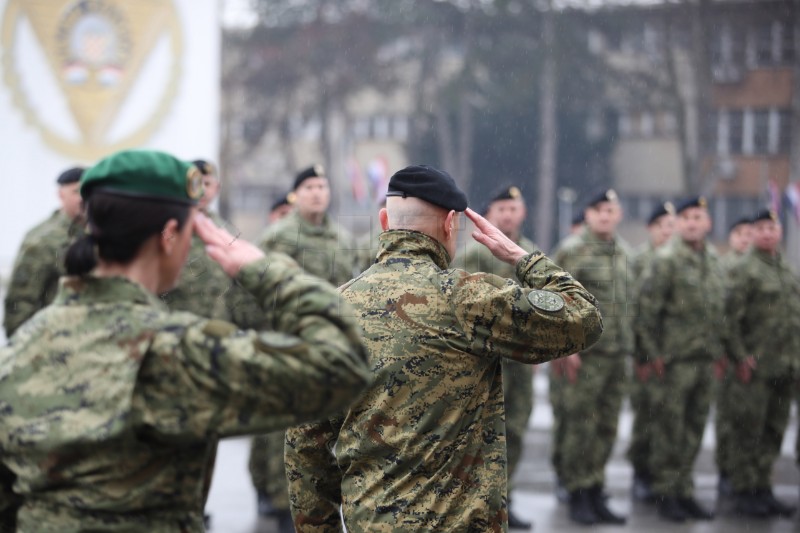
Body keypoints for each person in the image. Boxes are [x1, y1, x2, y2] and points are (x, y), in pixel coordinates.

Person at [0, 149, 371, 532]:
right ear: (170, 236)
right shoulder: (173, 352)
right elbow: (342, 363)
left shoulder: (19, 352)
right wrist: (262, 269)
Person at [284, 164, 604, 532]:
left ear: (384, 220)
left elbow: (305, 445)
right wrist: (522, 258)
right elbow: (584, 317)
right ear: (451, 223)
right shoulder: (468, 298)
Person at [635, 196, 725, 522]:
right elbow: (646, 311)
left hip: (704, 360)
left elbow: (719, 311)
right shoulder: (666, 259)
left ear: (708, 222)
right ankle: (666, 492)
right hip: (673, 362)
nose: (691, 223)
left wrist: (721, 352)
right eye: (685, 217)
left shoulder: (713, 260)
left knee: (694, 429)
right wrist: (651, 354)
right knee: (668, 430)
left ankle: (685, 490)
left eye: (697, 217)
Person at [549, 189, 632, 525]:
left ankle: (596, 489)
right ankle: (578, 492)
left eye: (610, 210)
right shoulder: (572, 250)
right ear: (587, 214)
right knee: (580, 426)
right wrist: (564, 348)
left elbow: (630, 304)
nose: (605, 215)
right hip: (585, 356)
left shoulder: (625, 252)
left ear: (619, 214)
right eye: (598, 210)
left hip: (616, 354)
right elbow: (553, 300)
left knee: (607, 427)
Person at [460, 185, 536, 530]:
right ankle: (480, 502)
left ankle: (507, 497)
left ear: (523, 212)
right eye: (501, 208)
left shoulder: (529, 253)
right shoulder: (475, 253)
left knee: (516, 429)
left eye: (513, 208)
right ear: (489, 214)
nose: (508, 214)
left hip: (520, 362)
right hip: (485, 361)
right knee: (481, 432)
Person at [718, 209, 799, 518]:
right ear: (754, 232)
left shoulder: (785, 270)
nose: (767, 232)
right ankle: (745, 490)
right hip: (754, 369)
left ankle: (763, 488)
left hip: (783, 367)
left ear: (780, 231)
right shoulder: (744, 269)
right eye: (761, 227)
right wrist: (739, 355)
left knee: (773, 432)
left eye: (772, 227)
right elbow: (728, 319)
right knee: (748, 432)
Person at [627, 201, 675, 502]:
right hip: (648, 354)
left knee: (670, 421)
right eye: (662, 226)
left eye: (672, 226)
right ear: (651, 229)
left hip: (676, 355)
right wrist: (642, 355)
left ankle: (665, 477)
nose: (668, 232)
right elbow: (635, 311)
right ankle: (641, 473)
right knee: (646, 417)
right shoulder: (640, 261)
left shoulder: (682, 259)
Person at [3, 167, 85, 337]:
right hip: (55, 340)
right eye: (77, 192)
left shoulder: (103, 233)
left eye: (88, 191)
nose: (83, 198)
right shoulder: (42, 240)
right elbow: (21, 301)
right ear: (61, 195)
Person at [260, 164, 358, 286]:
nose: (316, 193)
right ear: (295, 195)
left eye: (321, 187)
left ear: (328, 194)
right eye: (309, 188)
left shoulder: (343, 238)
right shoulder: (278, 234)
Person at [714, 214, 753, 497]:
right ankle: (728, 474)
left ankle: (750, 478)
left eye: (749, 234)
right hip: (730, 355)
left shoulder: (770, 268)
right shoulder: (722, 268)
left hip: (760, 356)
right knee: (730, 419)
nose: (746, 239)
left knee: (754, 422)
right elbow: (720, 316)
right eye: (740, 234)